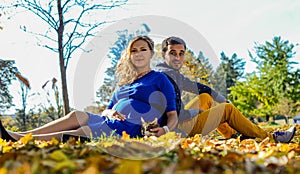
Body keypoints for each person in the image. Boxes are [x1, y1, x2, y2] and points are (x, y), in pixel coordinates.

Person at [0, 35, 178, 142]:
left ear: (151, 54)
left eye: (143, 49)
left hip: (129, 128)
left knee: (81, 132)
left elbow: (172, 115)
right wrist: (110, 113)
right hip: (109, 120)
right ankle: (20, 134)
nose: (138, 53)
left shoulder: (160, 79)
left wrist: (166, 130)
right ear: (129, 55)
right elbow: (106, 110)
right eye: (134, 50)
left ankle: (19, 139)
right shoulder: (124, 83)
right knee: (76, 115)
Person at [155, 36, 296, 143]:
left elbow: (200, 87)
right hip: (176, 127)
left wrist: (221, 98)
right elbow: (173, 114)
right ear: (163, 55)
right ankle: (272, 137)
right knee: (227, 109)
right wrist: (194, 112)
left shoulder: (170, 72)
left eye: (181, 53)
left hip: (178, 120)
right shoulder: (165, 77)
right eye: (173, 53)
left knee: (205, 97)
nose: (178, 58)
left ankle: (231, 135)